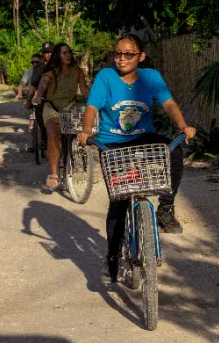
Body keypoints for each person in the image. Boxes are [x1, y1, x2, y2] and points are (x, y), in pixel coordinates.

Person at [77, 34, 196, 283]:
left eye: (128, 54)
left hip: (143, 137)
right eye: (118, 53)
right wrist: (86, 130)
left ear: (141, 56)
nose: (121, 59)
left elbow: (168, 103)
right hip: (112, 143)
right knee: (119, 201)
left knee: (173, 151)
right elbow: (92, 107)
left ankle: (166, 208)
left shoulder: (151, 77)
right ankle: (112, 258)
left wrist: (183, 126)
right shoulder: (105, 77)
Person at [32, 43, 90, 189]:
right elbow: (42, 86)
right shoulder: (51, 72)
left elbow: (84, 90)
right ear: (57, 55)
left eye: (69, 52)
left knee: (84, 123)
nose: (68, 55)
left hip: (70, 107)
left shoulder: (77, 71)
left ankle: (81, 161)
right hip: (52, 108)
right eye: (64, 53)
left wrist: (93, 102)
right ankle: (54, 173)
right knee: (53, 134)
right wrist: (38, 96)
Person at [25, 42, 55, 155]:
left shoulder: (62, 65)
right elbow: (33, 86)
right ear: (43, 54)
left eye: (51, 52)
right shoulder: (39, 68)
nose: (48, 55)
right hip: (44, 100)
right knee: (41, 120)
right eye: (46, 52)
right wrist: (29, 100)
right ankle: (46, 141)